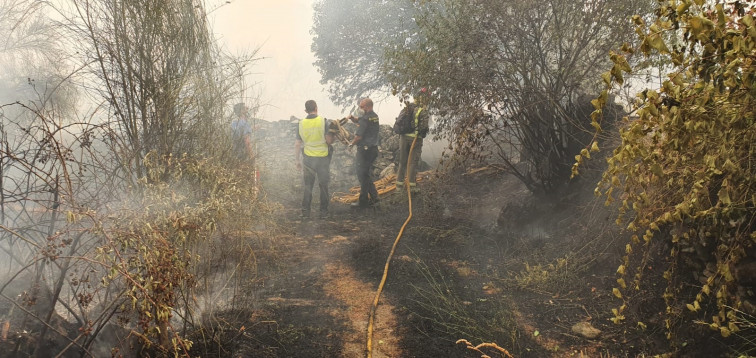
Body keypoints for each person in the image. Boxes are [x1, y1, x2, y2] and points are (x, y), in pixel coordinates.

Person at [295, 100, 335, 219]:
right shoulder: (324, 121)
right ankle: (323, 213)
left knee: (308, 186)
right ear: (316, 108)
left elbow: (297, 144)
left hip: (308, 159)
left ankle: (305, 212)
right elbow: (329, 141)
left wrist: (297, 160)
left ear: (306, 110)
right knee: (323, 185)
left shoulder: (301, 123)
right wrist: (334, 137)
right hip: (322, 158)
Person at [347, 97, 380, 208]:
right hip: (373, 149)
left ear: (367, 106)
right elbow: (361, 120)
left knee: (362, 175)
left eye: (361, 107)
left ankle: (363, 202)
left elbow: (359, 136)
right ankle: (375, 197)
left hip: (365, 151)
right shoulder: (374, 116)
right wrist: (353, 118)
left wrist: (351, 144)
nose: (359, 108)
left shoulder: (366, 119)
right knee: (365, 174)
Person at [396, 89, 430, 192]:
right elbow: (424, 127)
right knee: (412, 163)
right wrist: (423, 133)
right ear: (422, 98)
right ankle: (412, 186)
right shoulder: (422, 110)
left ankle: (399, 186)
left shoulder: (407, 107)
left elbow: (399, 121)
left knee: (402, 162)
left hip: (403, 138)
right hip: (415, 139)